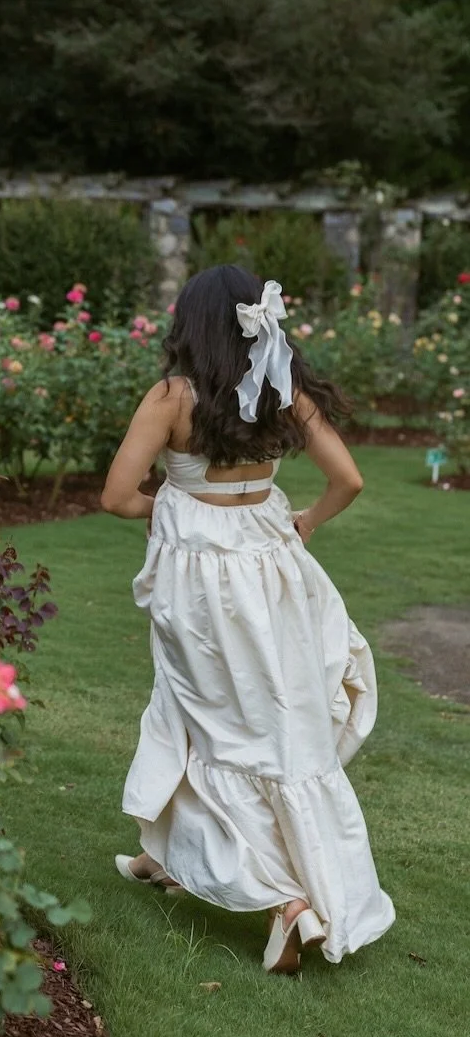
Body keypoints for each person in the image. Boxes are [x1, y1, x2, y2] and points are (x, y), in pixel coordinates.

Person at [101, 266, 395, 974]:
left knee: (206, 719)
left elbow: (116, 495)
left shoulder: (173, 396)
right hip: (275, 569)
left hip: (198, 585)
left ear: (190, 322)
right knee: (260, 722)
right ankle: (162, 854)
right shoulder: (279, 386)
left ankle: (283, 902)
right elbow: (347, 479)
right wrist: (305, 520)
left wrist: (173, 507)